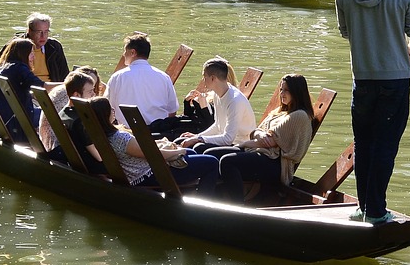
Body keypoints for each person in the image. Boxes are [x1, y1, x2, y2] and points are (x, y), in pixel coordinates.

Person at [334, 0, 410, 224]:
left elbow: (345, 31)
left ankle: (364, 207)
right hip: (396, 78)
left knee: (364, 143)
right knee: (385, 144)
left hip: (363, 77)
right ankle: (375, 211)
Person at [83, 97, 221, 196]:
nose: (113, 110)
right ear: (104, 115)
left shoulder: (102, 135)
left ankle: (185, 194)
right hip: (150, 174)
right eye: (110, 109)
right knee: (211, 162)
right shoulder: (120, 139)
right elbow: (153, 155)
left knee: (192, 151)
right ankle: (204, 203)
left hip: (143, 171)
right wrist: (180, 151)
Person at [209, 75, 315, 203]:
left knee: (227, 161)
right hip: (260, 152)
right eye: (281, 89)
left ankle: (237, 205)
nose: (282, 93)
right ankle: (216, 197)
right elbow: (257, 131)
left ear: (296, 92)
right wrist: (259, 135)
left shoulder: (299, 116)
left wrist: (244, 144)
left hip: (276, 164)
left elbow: (269, 142)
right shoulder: (280, 112)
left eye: (286, 90)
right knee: (211, 154)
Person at [175, 58, 257, 153]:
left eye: (204, 76)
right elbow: (217, 126)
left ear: (213, 78)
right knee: (180, 141)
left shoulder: (235, 100)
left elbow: (228, 139)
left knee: (199, 148)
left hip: (241, 145)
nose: (203, 80)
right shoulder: (217, 95)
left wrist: (199, 139)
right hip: (227, 142)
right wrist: (196, 136)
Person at [104, 32, 179, 132]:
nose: (123, 54)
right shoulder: (164, 77)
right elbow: (172, 111)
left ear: (132, 52)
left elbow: (107, 107)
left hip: (128, 133)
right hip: (158, 132)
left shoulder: (118, 77)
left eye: (125, 51)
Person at [0, 37, 45, 144]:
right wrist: (65, 85)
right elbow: (42, 86)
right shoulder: (20, 68)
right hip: (8, 120)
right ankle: (47, 145)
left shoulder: (2, 67)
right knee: (52, 116)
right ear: (23, 54)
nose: (33, 57)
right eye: (31, 53)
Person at [0, 13, 69, 83]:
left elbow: (64, 75)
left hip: (52, 90)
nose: (43, 36)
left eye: (46, 32)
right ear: (29, 31)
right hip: (26, 89)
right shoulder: (16, 46)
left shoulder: (54, 47)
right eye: (39, 32)